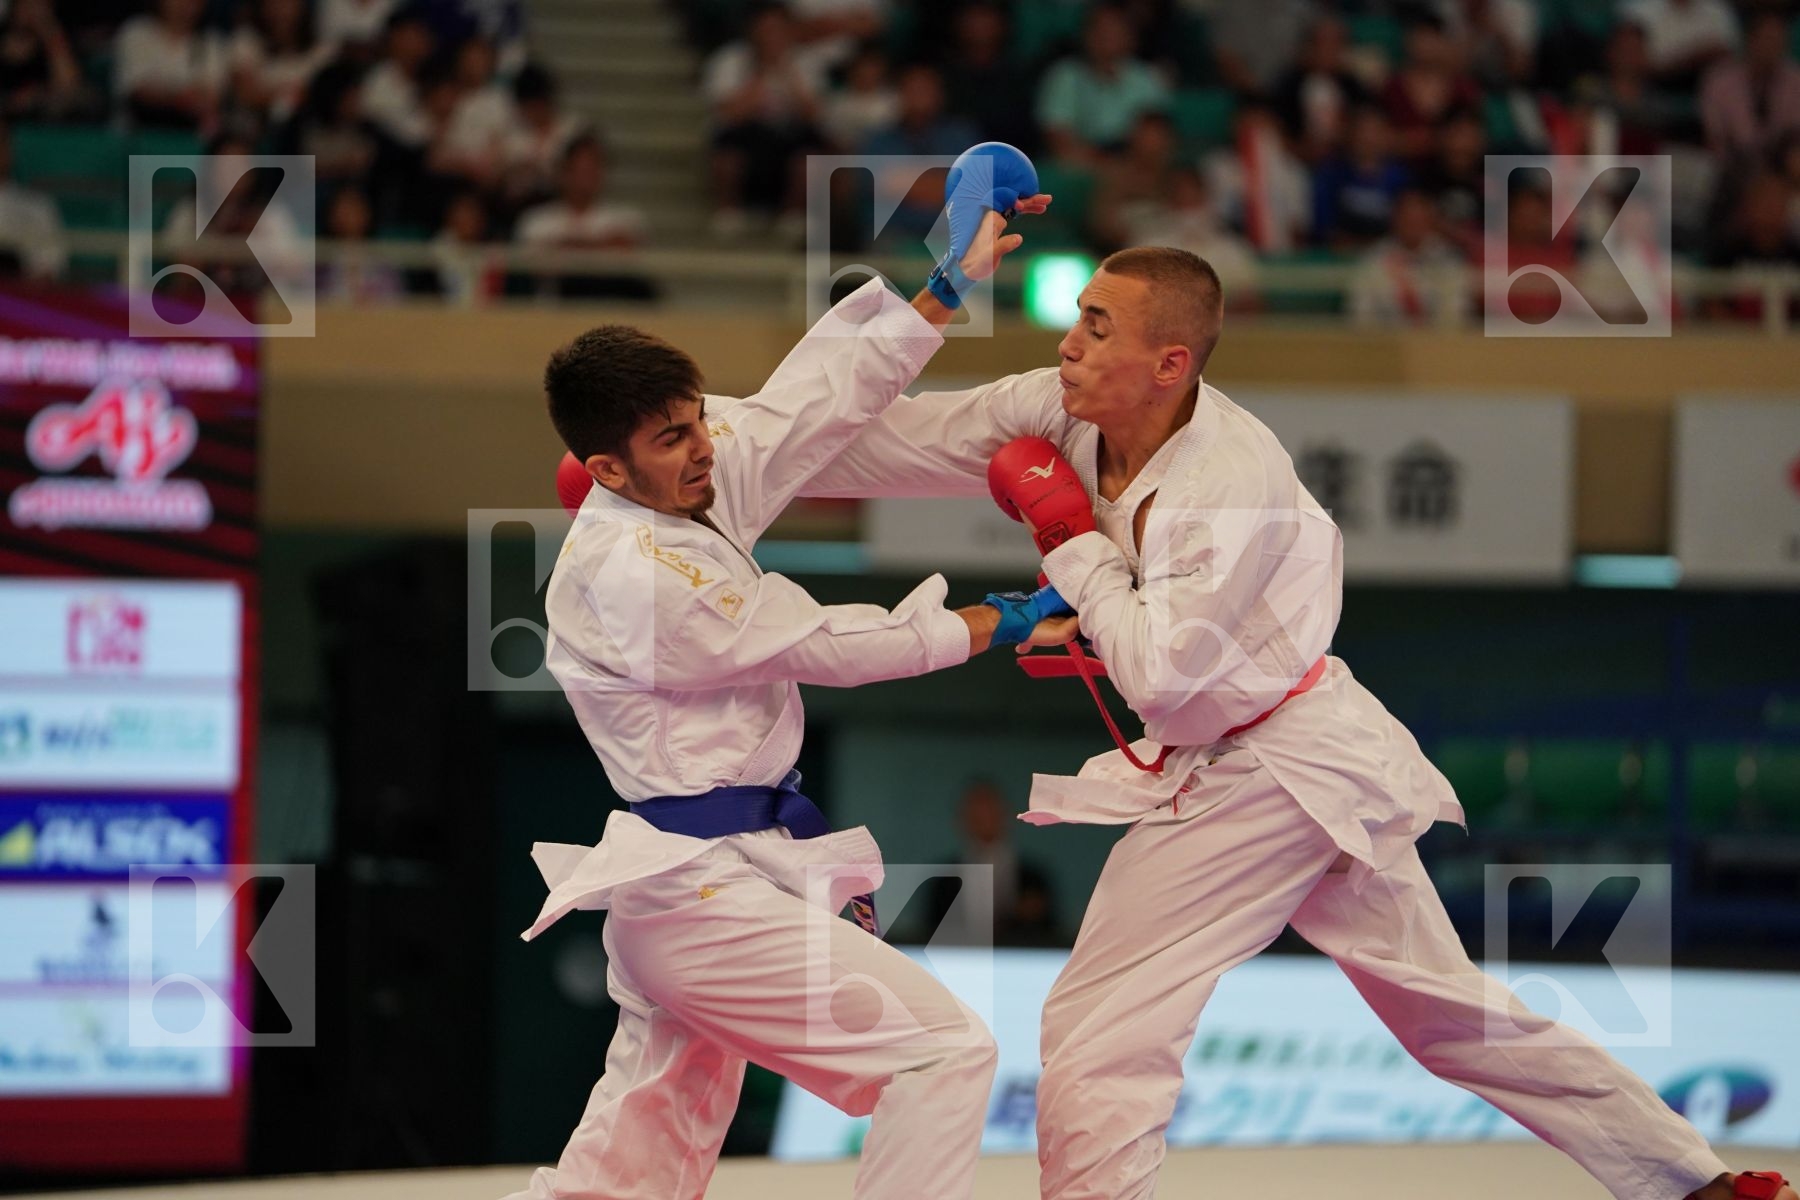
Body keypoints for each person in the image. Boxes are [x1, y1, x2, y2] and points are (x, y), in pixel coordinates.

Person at [797, 245, 1795, 1200]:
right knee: (1448, 1016)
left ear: (1169, 363)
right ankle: (1695, 1180)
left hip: (1266, 765)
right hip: (1296, 749)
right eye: (1077, 320)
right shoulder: (1058, 408)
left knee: (1104, 1025)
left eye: (1097, 328)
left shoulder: (1229, 484)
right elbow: (888, 446)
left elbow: (1162, 679)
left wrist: (1073, 547)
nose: (1069, 344)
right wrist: (733, 440)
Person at [499, 171, 1059, 1200]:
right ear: (607, 471)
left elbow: (810, 400)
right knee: (941, 1054)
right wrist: (1001, 619)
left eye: (695, 419)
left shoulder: (691, 474)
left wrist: (944, 286)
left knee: (635, 1163)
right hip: (701, 897)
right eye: (671, 438)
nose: (703, 447)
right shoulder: (634, 574)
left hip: (712, 880)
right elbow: (827, 645)